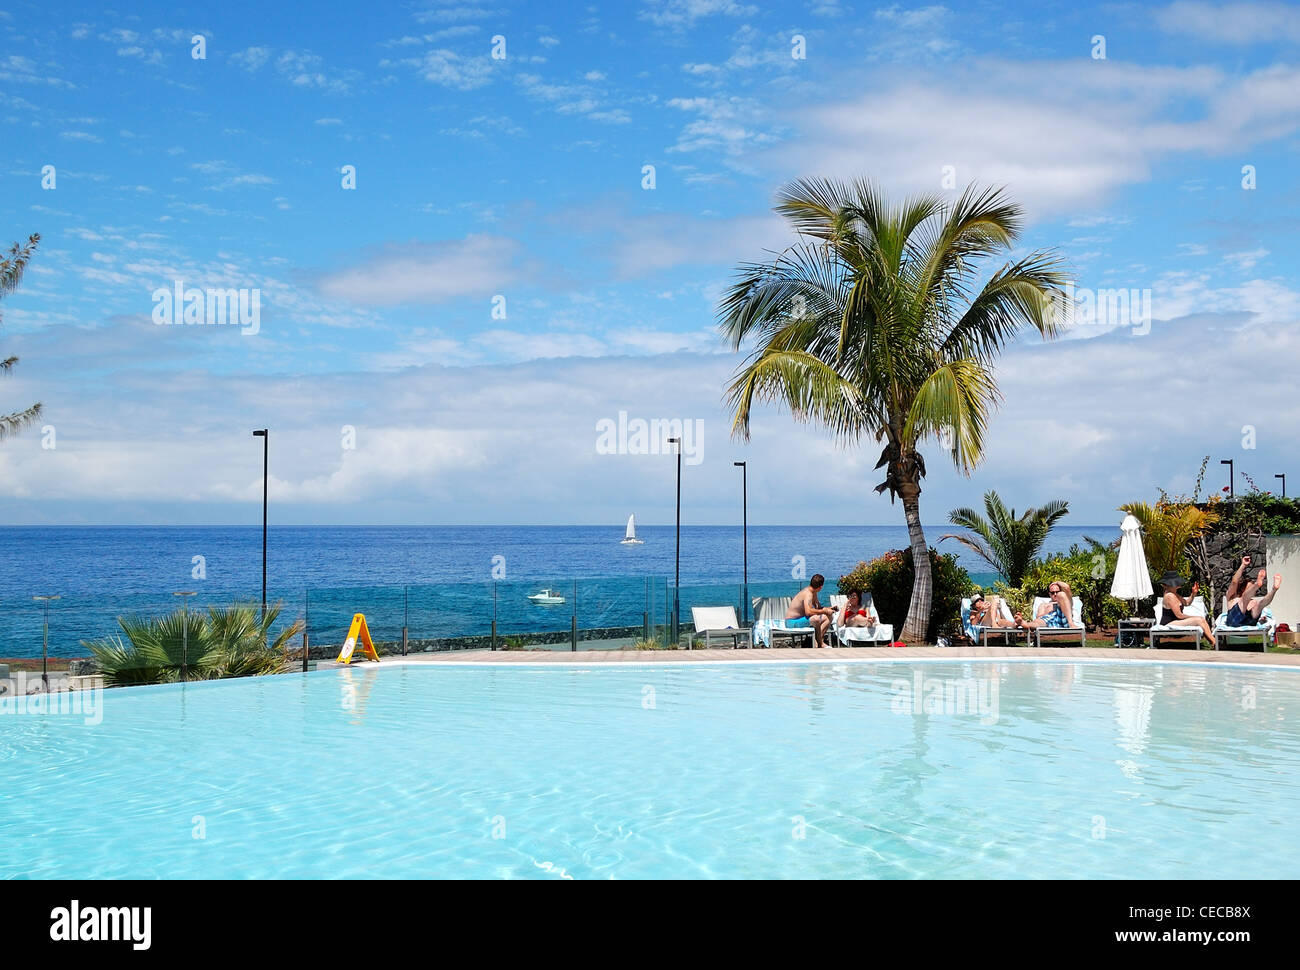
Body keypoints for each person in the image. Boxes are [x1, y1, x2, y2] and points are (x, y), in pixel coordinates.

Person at [1153, 570, 1215, 642]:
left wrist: (1193, 594)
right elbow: (1179, 615)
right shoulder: (1170, 596)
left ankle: (1213, 642)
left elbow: (1187, 603)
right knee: (1199, 620)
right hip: (1169, 623)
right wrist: (1194, 617)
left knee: (1200, 619)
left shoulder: (1174, 594)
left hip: (1176, 621)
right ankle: (1214, 642)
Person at [1223, 556, 1281, 627]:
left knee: (1260, 604)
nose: (1252, 590)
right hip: (1234, 621)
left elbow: (1262, 605)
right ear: (1242, 588)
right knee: (1244, 599)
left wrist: (1262, 618)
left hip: (1250, 622)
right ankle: (1259, 585)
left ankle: (1274, 589)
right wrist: (1243, 565)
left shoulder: (1253, 602)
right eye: (1250, 588)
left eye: (1252, 588)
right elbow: (1234, 582)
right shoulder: (1232, 597)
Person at [786, 573, 836, 648]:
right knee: (815, 619)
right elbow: (808, 612)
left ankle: (817, 642)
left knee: (829, 616)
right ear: (821, 587)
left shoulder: (813, 592)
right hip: (792, 622)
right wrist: (825, 611)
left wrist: (829, 608)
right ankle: (820, 643)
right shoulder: (808, 594)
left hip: (800, 620)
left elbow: (818, 608)